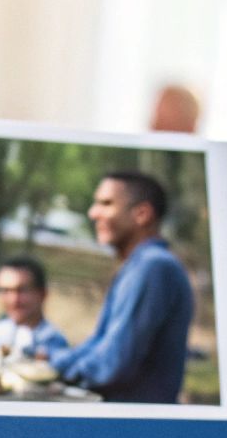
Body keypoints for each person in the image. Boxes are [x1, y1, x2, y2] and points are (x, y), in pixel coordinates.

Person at [48, 172, 195, 403]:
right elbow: (100, 342)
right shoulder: (137, 266)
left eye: (106, 204)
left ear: (142, 214)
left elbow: (113, 362)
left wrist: (52, 372)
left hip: (137, 427)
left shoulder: (153, 266)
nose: (93, 213)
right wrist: (52, 360)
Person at [0, 256, 68, 355]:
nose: (13, 300)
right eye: (6, 290)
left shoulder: (54, 342)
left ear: (42, 294)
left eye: (21, 290)